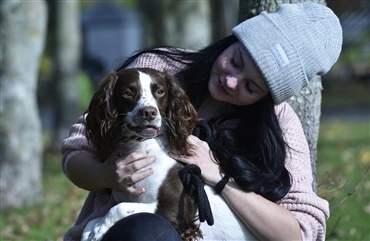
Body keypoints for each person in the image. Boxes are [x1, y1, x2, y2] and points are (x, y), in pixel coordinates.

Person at [61, 2, 342, 241]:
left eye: (250, 87)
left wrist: (217, 174)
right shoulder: (159, 70)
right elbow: (76, 150)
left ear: (267, 98)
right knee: (146, 231)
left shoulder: (280, 125)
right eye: (235, 61)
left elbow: (299, 233)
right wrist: (105, 175)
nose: (231, 81)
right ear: (232, 40)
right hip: (129, 233)